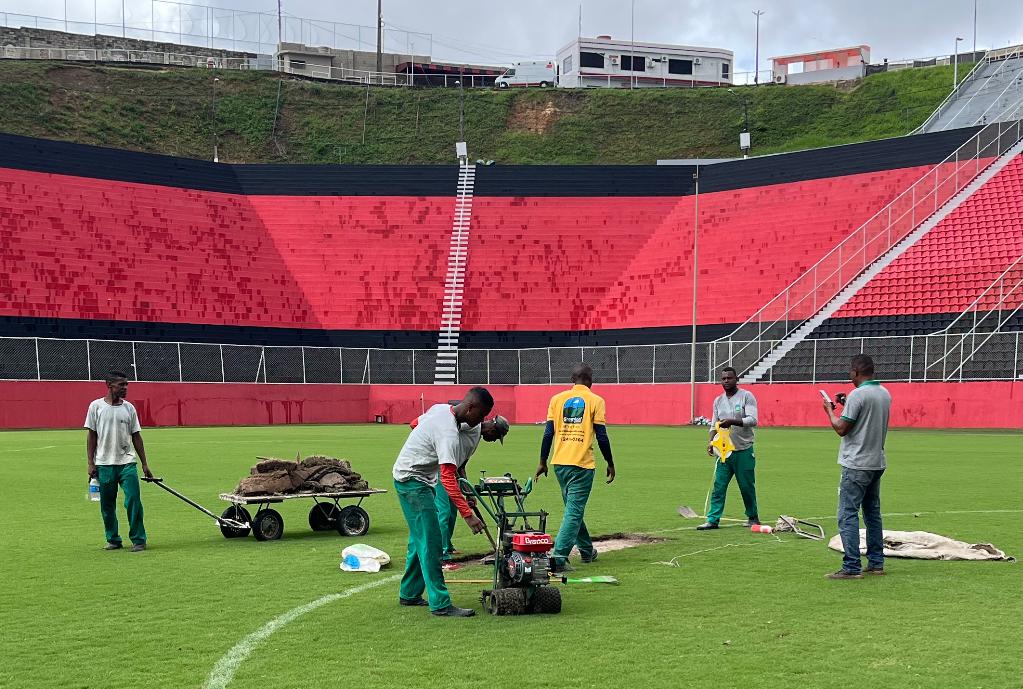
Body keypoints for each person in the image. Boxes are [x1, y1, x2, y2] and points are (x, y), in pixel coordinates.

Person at [392, 388, 492, 617]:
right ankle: (440, 604)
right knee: (432, 541)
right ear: (470, 408)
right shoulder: (448, 433)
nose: (482, 420)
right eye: (482, 414)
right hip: (412, 482)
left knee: (420, 540)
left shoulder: (440, 410)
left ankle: (409, 593)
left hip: (416, 478)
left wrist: (425, 444)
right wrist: (468, 514)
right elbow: (448, 478)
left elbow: (414, 423)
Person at [535, 363, 615, 573]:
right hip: (582, 464)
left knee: (573, 510)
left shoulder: (557, 399)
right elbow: (602, 436)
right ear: (591, 380)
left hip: (559, 463)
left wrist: (542, 461)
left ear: (572, 379)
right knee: (573, 512)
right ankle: (558, 558)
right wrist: (610, 462)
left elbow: (547, 433)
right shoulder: (596, 401)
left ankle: (587, 551)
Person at [822, 354, 891, 580]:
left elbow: (842, 428)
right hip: (876, 462)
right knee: (872, 514)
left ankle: (851, 566)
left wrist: (830, 411)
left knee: (847, 514)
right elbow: (865, 418)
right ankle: (876, 563)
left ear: (856, 372)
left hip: (856, 463)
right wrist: (845, 404)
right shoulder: (884, 393)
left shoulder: (858, 395)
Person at [85, 370, 154, 552]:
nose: (125, 388)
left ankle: (139, 539)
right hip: (104, 464)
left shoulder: (129, 408)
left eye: (126, 384)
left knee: (133, 500)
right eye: (121, 385)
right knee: (107, 505)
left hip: (127, 463)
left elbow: (136, 436)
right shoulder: (96, 407)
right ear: (109, 385)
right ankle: (113, 539)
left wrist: (145, 463)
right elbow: (91, 436)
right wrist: (91, 463)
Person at [435, 415, 510, 571]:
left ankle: (447, 546)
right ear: (492, 428)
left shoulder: (475, 440)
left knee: (453, 511)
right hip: (441, 469)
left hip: (453, 470)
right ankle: (441, 557)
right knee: (444, 512)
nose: (495, 440)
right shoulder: (471, 426)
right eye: (496, 436)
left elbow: (462, 466)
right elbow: (449, 426)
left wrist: (468, 493)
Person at [698, 367, 760, 530]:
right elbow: (714, 424)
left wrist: (732, 421)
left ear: (736, 379)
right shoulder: (718, 401)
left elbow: (753, 420)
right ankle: (713, 519)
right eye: (723, 378)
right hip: (724, 451)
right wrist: (711, 442)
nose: (726, 381)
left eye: (729, 378)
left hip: (743, 449)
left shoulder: (746, 396)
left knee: (746, 486)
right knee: (719, 486)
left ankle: (753, 517)